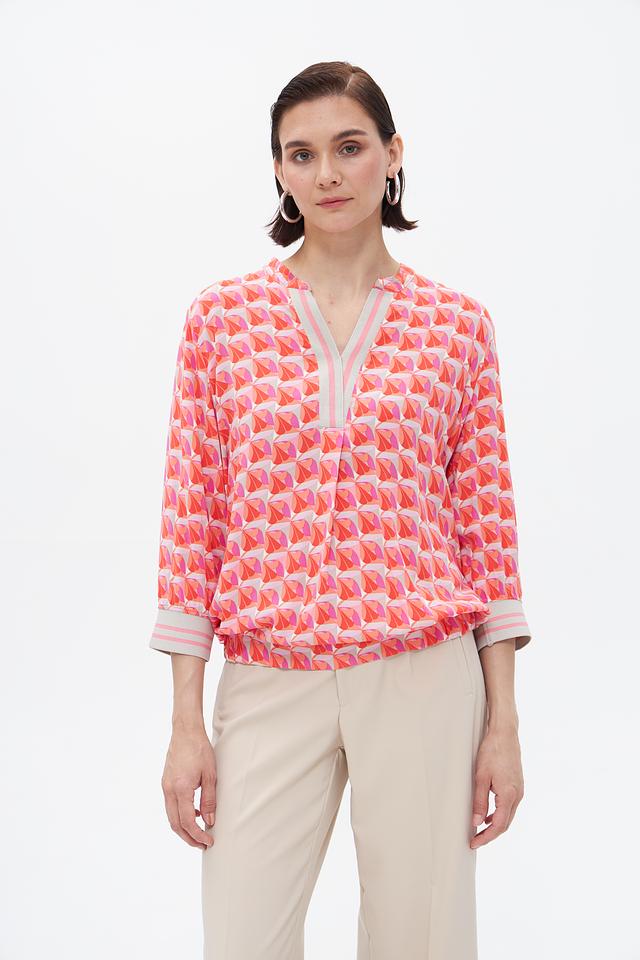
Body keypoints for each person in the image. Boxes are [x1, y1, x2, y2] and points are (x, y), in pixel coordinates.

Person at [149, 60, 533, 960]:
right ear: (279, 170)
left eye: (349, 147)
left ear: (392, 155)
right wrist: (184, 722)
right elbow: (191, 524)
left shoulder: (457, 327)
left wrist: (504, 724)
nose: (325, 173)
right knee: (242, 938)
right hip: (267, 670)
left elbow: (487, 530)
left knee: (421, 940)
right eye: (301, 154)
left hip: (422, 671)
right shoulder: (222, 320)